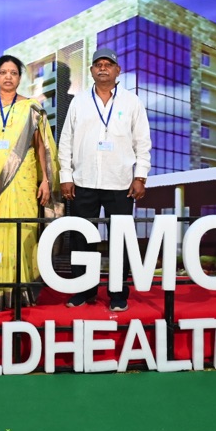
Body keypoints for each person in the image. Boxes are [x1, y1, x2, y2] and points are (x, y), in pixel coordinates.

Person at [58, 48, 151, 312]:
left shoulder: (132, 102)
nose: (102, 68)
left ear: (117, 70)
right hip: (83, 181)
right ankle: (83, 290)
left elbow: (142, 142)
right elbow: (66, 141)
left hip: (120, 183)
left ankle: (118, 294)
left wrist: (141, 176)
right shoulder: (79, 102)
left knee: (120, 240)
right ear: (91, 71)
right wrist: (66, 176)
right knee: (81, 239)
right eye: (98, 64)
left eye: (108, 64)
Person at [0, 54, 59, 311]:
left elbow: (41, 146)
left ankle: (23, 291)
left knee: (25, 229)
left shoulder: (31, 107)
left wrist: (45, 180)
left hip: (25, 177)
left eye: (13, 73)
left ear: (20, 78)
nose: (8, 77)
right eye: (3, 72)